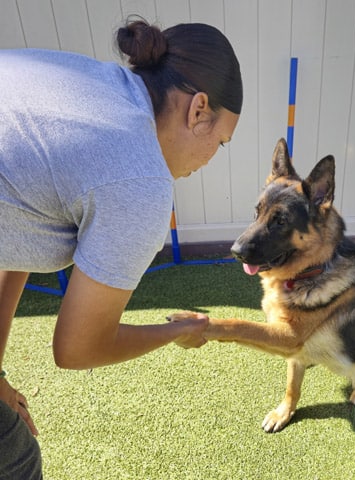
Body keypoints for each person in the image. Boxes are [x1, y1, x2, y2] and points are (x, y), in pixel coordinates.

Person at [0, 19, 242, 478]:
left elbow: (14, 234)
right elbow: (77, 348)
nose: (212, 158)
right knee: (14, 459)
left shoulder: (96, 83)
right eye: (221, 142)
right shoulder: (140, 179)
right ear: (198, 110)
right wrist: (177, 332)